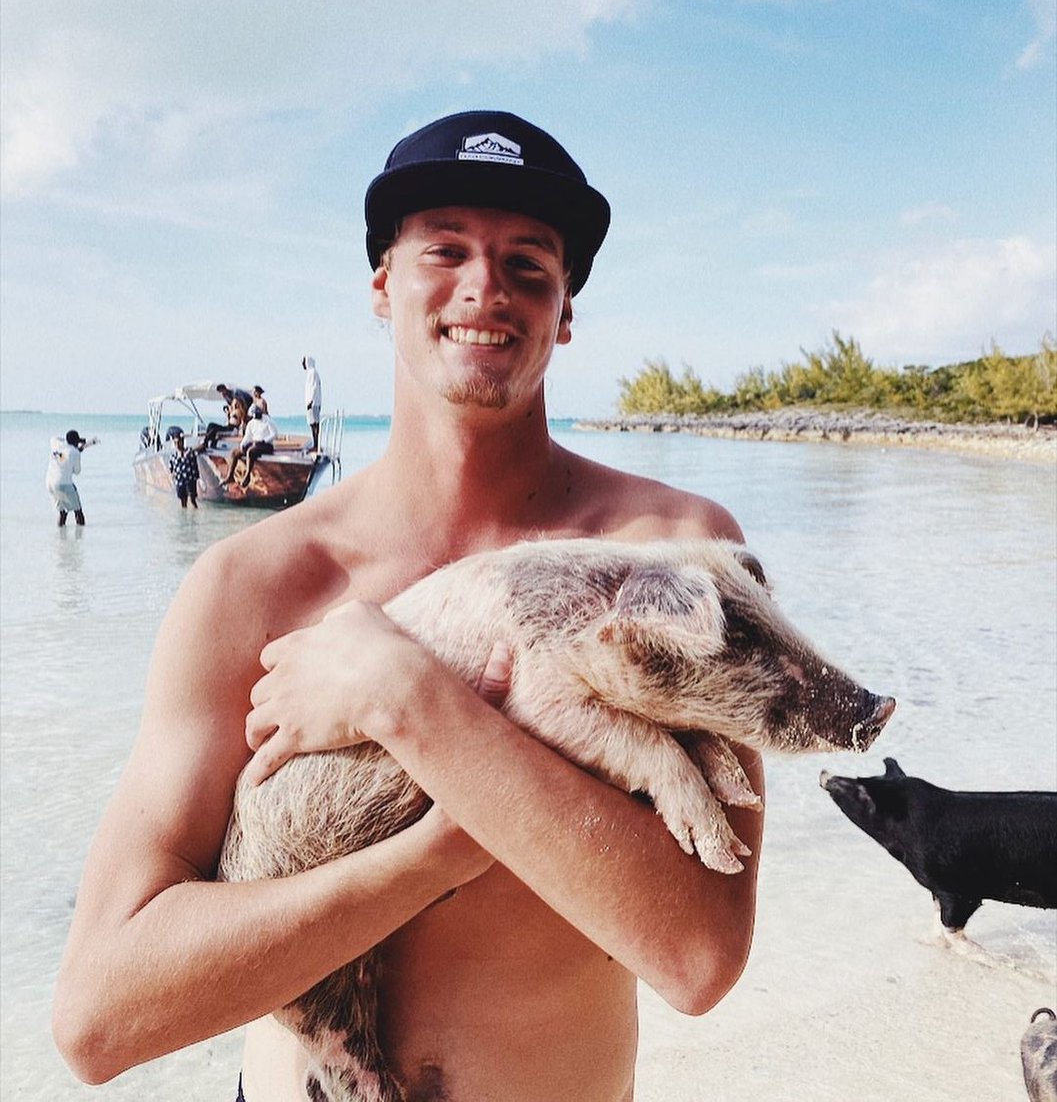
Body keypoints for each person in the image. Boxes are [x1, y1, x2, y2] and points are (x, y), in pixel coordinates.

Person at [53, 110, 764, 1102]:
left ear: (564, 313)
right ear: (383, 289)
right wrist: (434, 855)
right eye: (446, 252)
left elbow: (697, 953)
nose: (485, 286)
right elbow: (99, 1016)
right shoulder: (258, 584)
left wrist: (403, 697)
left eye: (528, 263)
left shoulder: (662, 556)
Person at [46, 429, 96, 527]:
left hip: (50, 484)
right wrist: (77, 451)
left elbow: (55, 441)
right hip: (64, 484)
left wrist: (75, 447)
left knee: (62, 512)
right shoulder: (74, 453)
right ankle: (80, 538)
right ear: (75, 443)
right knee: (78, 511)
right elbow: (77, 471)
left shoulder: (56, 444)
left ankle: (60, 538)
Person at [221, 406, 279, 488]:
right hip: (254, 443)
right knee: (235, 452)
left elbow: (274, 434)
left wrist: (263, 441)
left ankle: (247, 476)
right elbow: (248, 436)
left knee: (250, 451)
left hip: (266, 444)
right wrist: (243, 444)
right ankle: (230, 476)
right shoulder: (251, 423)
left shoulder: (267, 421)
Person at [202, 384, 253, 451]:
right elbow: (229, 417)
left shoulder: (240, 411)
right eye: (232, 403)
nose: (233, 404)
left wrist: (242, 429)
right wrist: (228, 414)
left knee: (214, 430)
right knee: (211, 425)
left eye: (235, 403)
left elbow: (243, 421)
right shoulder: (232, 410)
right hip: (228, 427)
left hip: (233, 429)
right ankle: (210, 442)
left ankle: (205, 444)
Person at [168, 431, 200, 509]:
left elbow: (198, 451)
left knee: (192, 500)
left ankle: (195, 516)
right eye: (175, 443)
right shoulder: (173, 456)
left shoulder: (189, 452)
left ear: (182, 442)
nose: (177, 445)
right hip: (179, 481)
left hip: (190, 480)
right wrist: (172, 474)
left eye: (178, 442)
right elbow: (171, 469)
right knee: (183, 502)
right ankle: (184, 518)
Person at [302, 356, 321, 452]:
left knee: (314, 424)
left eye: (303, 362)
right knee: (313, 424)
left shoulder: (312, 373)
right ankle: (315, 443)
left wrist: (311, 401)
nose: (302, 365)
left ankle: (316, 444)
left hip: (313, 403)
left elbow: (313, 388)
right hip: (313, 402)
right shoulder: (311, 373)